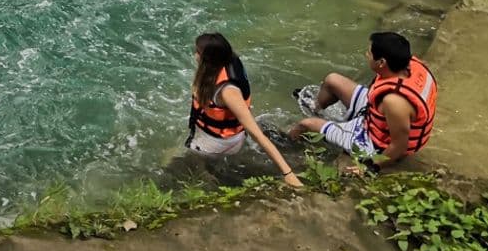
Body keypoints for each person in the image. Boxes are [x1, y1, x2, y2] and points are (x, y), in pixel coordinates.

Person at [289, 31, 437, 172]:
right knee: (332, 80)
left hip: (374, 142)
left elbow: (399, 145)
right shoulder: (409, 64)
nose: (366, 55)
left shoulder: (394, 102)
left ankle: (288, 145)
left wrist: (371, 167)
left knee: (306, 124)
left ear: (381, 62)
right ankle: (316, 107)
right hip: (375, 117)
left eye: (369, 53)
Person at [187, 32, 303, 187]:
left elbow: (257, 135)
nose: (195, 55)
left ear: (207, 60)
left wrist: (288, 174)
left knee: (187, 165)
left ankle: (210, 177)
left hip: (218, 144)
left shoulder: (228, 92)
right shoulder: (228, 61)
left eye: (198, 52)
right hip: (226, 137)